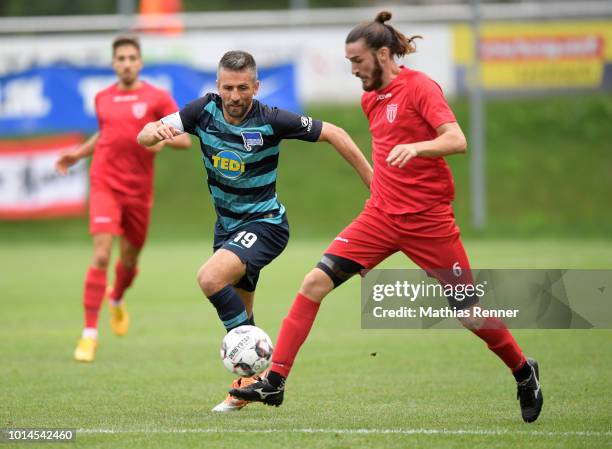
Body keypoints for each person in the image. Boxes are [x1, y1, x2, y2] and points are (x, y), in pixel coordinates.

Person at [230, 11, 544, 424]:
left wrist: (418, 148)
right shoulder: (370, 98)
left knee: (468, 311)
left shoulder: (420, 88)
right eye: (348, 62)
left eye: (357, 61)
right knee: (313, 283)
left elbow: (457, 140)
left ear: (382, 54)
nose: (353, 70)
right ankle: (276, 381)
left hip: (428, 222)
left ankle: (524, 372)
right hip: (379, 217)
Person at [137, 50, 373, 412]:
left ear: (256, 86)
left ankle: (260, 366)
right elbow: (144, 136)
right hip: (227, 229)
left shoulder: (272, 119)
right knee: (240, 311)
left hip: (265, 225)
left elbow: (336, 133)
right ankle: (245, 388)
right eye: (228, 87)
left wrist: (376, 187)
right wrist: (154, 131)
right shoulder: (202, 111)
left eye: (243, 88)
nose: (234, 96)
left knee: (210, 278)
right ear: (218, 86)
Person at [55, 36, 192, 363]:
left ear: (140, 62)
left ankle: (116, 298)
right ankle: (89, 335)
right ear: (113, 63)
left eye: (132, 57)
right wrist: (77, 154)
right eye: (121, 58)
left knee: (128, 261)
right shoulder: (103, 98)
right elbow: (107, 135)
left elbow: (184, 140)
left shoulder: (157, 97)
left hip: (139, 191)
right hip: (105, 182)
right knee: (101, 255)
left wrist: (160, 138)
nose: (127, 63)